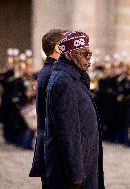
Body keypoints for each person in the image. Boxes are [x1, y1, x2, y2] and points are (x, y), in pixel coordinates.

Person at [44, 31, 104, 189]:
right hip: (72, 170)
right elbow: (68, 131)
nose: (88, 59)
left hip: (83, 162)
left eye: (89, 54)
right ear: (69, 55)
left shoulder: (74, 78)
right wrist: (76, 171)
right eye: (83, 54)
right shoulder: (65, 82)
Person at [29, 29, 66, 186]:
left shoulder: (52, 71)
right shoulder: (54, 74)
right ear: (58, 48)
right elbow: (62, 117)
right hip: (56, 149)